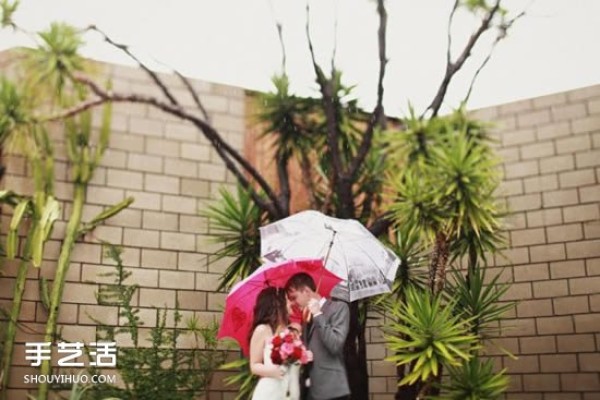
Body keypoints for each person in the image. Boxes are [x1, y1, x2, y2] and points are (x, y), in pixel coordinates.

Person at [285, 273, 350, 400]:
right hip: (310, 388)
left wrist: (318, 314)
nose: (293, 303)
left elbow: (335, 345)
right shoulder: (305, 315)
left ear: (307, 291)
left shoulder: (339, 308)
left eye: (294, 297)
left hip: (332, 389)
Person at [249, 286, 304, 400]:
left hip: (291, 391)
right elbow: (254, 365)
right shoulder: (263, 329)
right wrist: (273, 371)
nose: (291, 302)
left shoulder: (294, 330)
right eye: (287, 299)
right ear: (278, 304)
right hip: (270, 390)